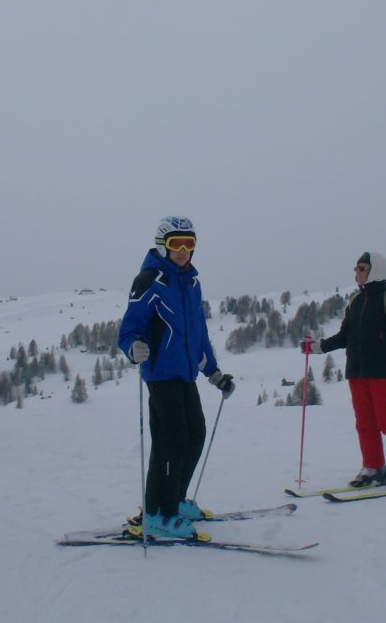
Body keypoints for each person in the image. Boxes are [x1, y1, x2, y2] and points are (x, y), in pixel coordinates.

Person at [118, 216, 235, 539]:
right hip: (160, 374)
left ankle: (175, 500)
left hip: (185, 375)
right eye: (175, 244)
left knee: (194, 434)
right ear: (163, 246)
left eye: (189, 244)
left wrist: (213, 372)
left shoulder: (191, 283)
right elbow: (129, 329)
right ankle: (157, 513)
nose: (183, 251)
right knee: (171, 442)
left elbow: (197, 333)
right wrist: (133, 348)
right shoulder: (149, 280)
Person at [301, 252, 386, 491]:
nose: (357, 273)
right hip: (356, 371)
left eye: (362, 268)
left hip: (382, 371)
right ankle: (373, 468)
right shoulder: (355, 300)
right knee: (364, 423)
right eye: (356, 269)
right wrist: (318, 347)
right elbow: (345, 336)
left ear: (376, 270)